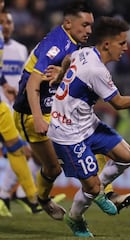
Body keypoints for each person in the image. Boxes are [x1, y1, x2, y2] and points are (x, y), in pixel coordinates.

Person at [47, 16, 130, 237]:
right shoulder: (97, 70)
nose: (126, 48)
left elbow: (69, 57)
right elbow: (117, 103)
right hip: (68, 134)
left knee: (127, 156)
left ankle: (100, 191)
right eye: (122, 43)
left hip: (87, 124)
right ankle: (76, 218)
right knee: (91, 187)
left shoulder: (85, 52)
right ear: (107, 44)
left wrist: (61, 75)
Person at [11, 0, 94, 220]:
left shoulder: (72, 43)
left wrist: (64, 69)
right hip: (30, 113)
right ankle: (43, 199)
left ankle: (104, 191)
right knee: (54, 169)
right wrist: (38, 118)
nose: (89, 30)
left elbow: (64, 71)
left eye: (91, 25)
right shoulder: (56, 43)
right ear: (68, 23)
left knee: (87, 145)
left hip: (52, 110)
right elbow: (32, 84)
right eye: (85, 25)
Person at [0, 1, 41, 217]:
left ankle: (26, 196)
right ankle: (21, 196)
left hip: (11, 109)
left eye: (9, 22)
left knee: (22, 150)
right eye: (3, 21)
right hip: (3, 108)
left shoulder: (20, 49)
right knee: (22, 150)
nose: (6, 25)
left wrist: (6, 85)